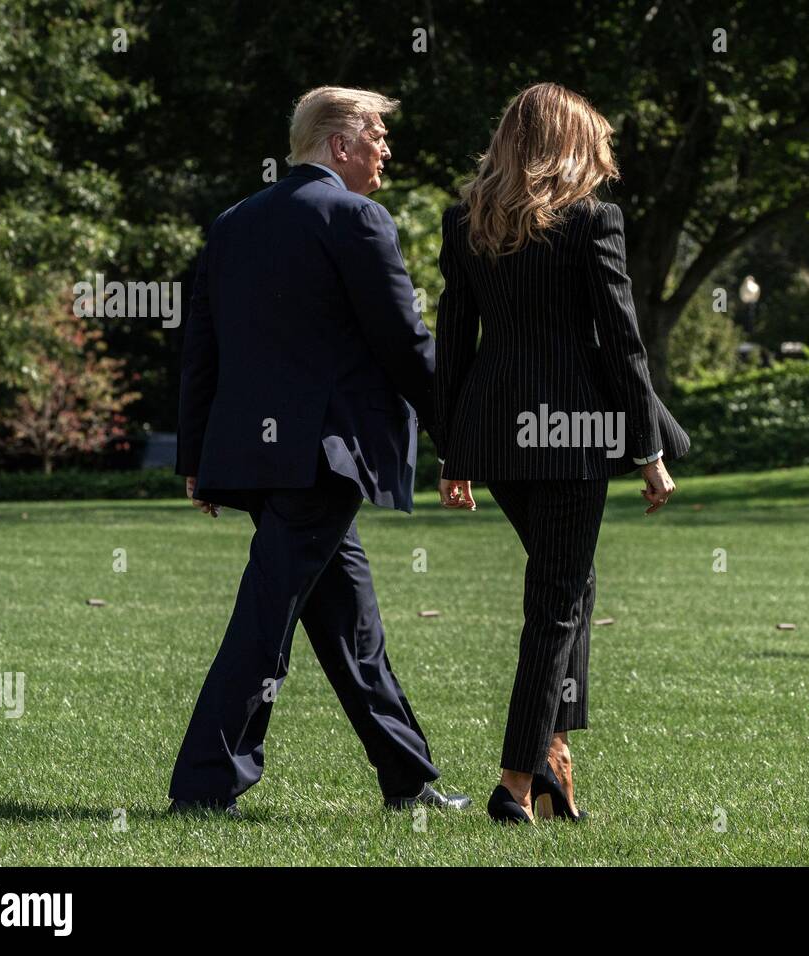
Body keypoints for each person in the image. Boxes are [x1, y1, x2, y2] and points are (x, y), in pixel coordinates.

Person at [168, 86, 469, 817]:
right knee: (265, 622)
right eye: (378, 139)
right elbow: (403, 342)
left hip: (262, 458)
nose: (387, 153)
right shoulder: (355, 216)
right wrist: (458, 437)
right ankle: (205, 787)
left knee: (349, 625)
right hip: (322, 457)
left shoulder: (234, 222)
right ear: (341, 144)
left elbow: (200, 349)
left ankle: (408, 780)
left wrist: (196, 458)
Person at [434, 82, 689, 824]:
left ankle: (554, 760)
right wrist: (647, 449)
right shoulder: (591, 222)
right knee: (554, 602)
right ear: (573, 144)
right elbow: (622, 342)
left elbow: (452, 342)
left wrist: (452, 454)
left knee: (570, 591)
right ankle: (516, 781)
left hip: (498, 436)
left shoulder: (465, 222)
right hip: (574, 439)